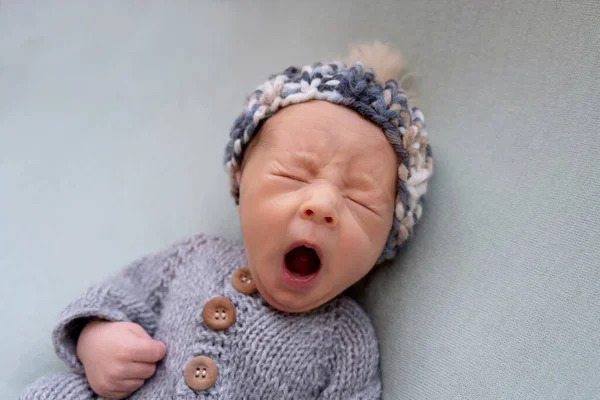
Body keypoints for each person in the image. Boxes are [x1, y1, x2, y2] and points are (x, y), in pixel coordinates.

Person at [20, 41, 433, 400]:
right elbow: (113, 296)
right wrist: (97, 341)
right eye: (293, 175)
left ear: (387, 241)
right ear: (241, 182)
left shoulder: (346, 342)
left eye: (360, 199)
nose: (323, 204)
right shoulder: (194, 257)